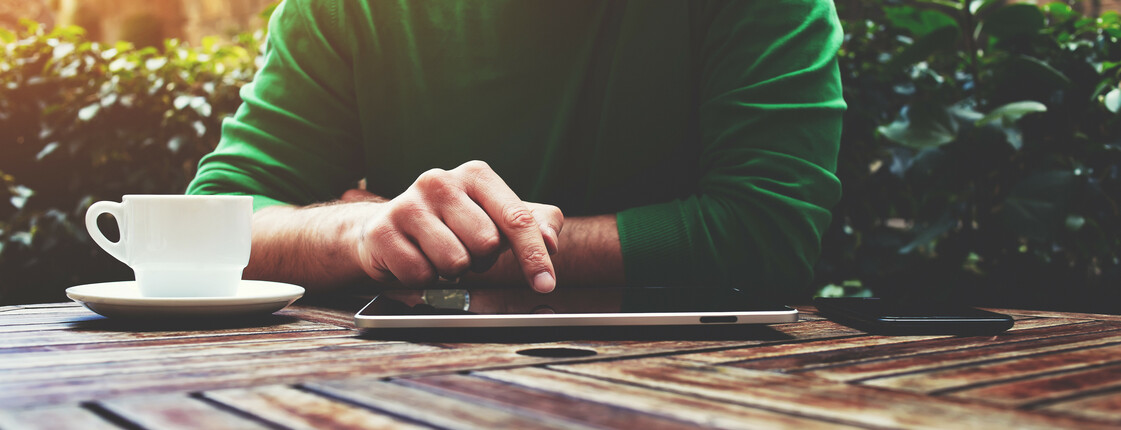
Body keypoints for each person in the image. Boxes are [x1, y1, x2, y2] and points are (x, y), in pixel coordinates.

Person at [186, 0, 845, 300]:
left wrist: (436, 253)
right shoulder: (345, 10)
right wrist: (359, 230)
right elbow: (206, 228)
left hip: (709, 391)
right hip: (396, 396)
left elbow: (769, 237)